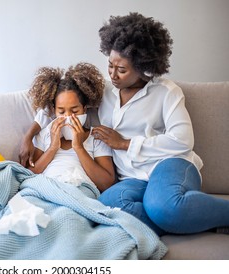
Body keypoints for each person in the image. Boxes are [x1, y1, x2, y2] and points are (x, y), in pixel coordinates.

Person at [20, 12, 229, 236]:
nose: (113, 74)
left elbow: (183, 141)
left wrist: (124, 144)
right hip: (131, 178)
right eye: (110, 65)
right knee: (103, 209)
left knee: (162, 206)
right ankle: (184, 219)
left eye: (121, 70)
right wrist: (28, 136)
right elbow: (57, 105)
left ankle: (178, 213)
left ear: (142, 65)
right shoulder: (104, 91)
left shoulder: (166, 92)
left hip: (169, 165)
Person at [27, 62, 116, 193]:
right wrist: (52, 147)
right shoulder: (45, 134)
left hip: (79, 192)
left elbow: (106, 184)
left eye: (74, 111)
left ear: (84, 109)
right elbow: (30, 174)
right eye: (61, 112)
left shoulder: (96, 138)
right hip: (47, 189)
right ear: (54, 111)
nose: (68, 117)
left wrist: (79, 147)